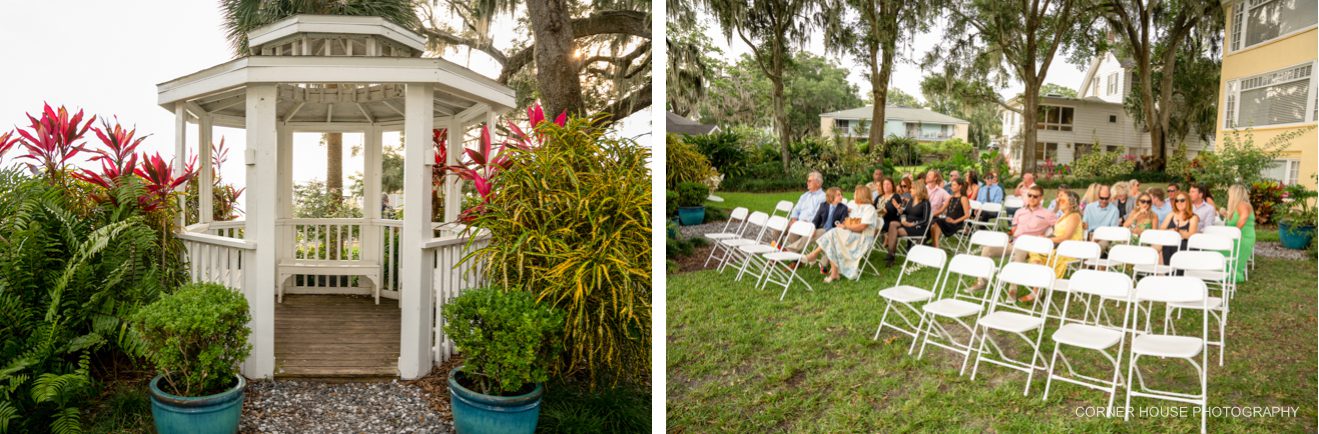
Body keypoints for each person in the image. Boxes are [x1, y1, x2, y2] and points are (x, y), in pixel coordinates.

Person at [969, 185, 1057, 291]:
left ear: (1041, 197)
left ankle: (1012, 290)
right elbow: (1013, 229)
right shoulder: (1019, 212)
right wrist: (1010, 235)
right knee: (987, 250)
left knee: (1019, 251)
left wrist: (1046, 237)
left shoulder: (1048, 214)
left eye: (1035, 196)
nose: (1032, 198)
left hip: (1030, 246)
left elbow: (1058, 230)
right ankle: (982, 282)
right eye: (1030, 195)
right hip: (1014, 243)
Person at [804, 185, 878, 282]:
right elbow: (849, 222)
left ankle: (815, 255)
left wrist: (847, 226)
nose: (853, 195)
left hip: (862, 239)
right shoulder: (857, 208)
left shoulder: (869, 208)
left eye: (855, 193)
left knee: (833, 233)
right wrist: (845, 225)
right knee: (833, 236)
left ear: (861, 195)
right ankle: (834, 273)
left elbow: (862, 227)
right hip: (853, 234)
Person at [1025, 190, 1083, 300]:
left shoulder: (1074, 216)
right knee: (1034, 251)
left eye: (1062, 199)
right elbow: (1056, 234)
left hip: (1069, 249)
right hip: (1058, 246)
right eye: (1058, 198)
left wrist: (1047, 240)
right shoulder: (1063, 216)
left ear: (1071, 203)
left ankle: (1037, 287)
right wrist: (1044, 238)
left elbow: (1066, 237)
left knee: (1041, 254)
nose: (1058, 200)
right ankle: (1038, 285)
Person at [883, 182, 931, 265]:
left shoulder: (925, 203)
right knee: (892, 224)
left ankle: (891, 256)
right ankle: (891, 254)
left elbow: (925, 220)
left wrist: (912, 224)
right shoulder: (911, 200)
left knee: (894, 232)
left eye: (912, 188)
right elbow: (905, 213)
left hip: (918, 227)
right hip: (907, 223)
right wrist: (899, 209)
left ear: (918, 190)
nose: (910, 190)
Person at [783, 171, 826, 252]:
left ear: (818, 183)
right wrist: (794, 219)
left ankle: (792, 255)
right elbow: (796, 209)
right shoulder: (805, 195)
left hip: (809, 224)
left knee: (793, 231)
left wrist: (802, 223)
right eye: (807, 181)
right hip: (797, 222)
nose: (807, 183)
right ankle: (778, 250)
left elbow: (817, 215)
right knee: (777, 229)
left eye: (810, 181)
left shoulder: (822, 197)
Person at [1220, 184, 1256, 283]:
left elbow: (1243, 219)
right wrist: (1226, 214)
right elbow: (1236, 219)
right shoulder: (1238, 206)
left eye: (1230, 194)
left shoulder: (1243, 204)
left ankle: (1228, 273)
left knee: (1218, 248)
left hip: (1243, 238)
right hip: (1236, 237)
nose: (1229, 196)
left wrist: (1233, 234)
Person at [1160, 191, 1200, 265]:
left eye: (1182, 200)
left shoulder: (1193, 217)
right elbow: (1161, 229)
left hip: (1186, 246)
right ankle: (1169, 270)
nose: (1179, 202)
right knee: (1167, 245)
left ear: (1188, 202)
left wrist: (1178, 232)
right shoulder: (1171, 214)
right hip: (1170, 244)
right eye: (1177, 200)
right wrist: (1170, 230)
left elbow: (1191, 235)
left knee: (1178, 245)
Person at [930, 178, 971, 249]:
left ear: (960, 186)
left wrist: (954, 221)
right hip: (947, 221)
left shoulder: (963, 198)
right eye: (951, 185)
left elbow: (967, 215)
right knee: (933, 223)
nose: (952, 187)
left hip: (956, 223)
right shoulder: (950, 197)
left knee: (937, 222)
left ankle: (935, 247)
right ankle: (934, 246)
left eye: (954, 185)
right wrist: (930, 215)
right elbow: (941, 210)